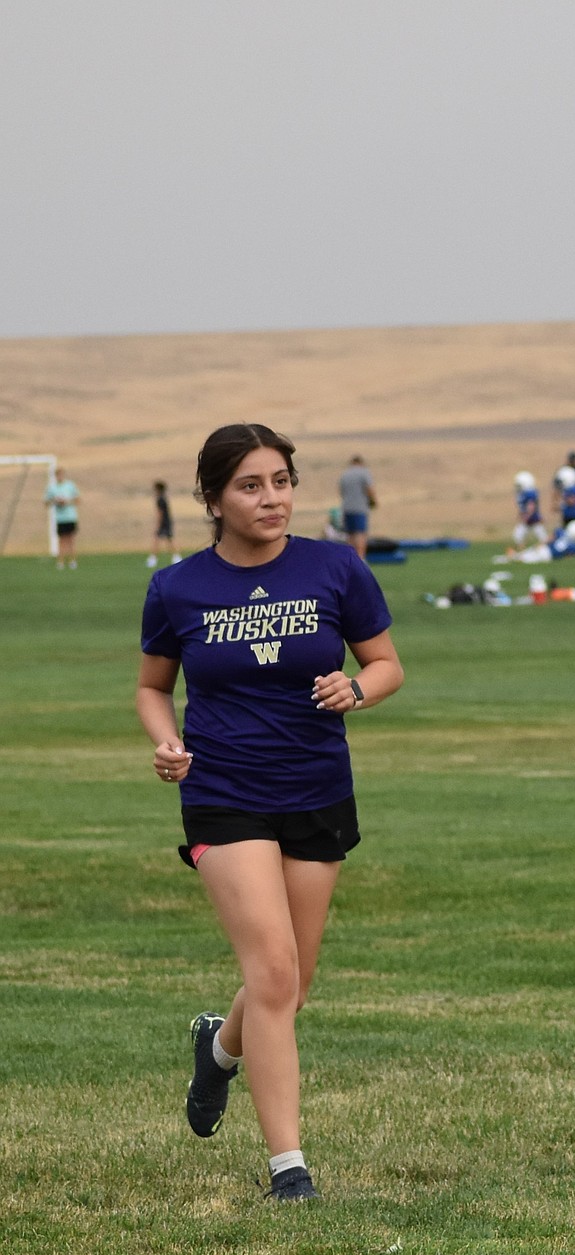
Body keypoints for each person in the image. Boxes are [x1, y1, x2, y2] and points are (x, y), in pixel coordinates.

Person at [136, 423, 404, 1202]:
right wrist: (166, 742)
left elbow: (386, 663)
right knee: (275, 970)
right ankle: (290, 1168)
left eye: (281, 481)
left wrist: (357, 688)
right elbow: (154, 685)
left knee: (293, 981)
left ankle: (219, 1050)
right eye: (251, 485)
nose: (272, 498)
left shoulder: (335, 567)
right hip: (222, 791)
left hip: (316, 787)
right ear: (214, 498)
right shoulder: (176, 586)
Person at [338, 455, 377, 560]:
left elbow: (341, 492)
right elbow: (369, 489)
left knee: (350, 536)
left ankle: (351, 560)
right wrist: (373, 502)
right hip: (360, 508)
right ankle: (361, 560)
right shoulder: (364, 473)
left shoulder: (345, 474)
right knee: (360, 535)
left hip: (347, 509)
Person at [44, 467, 80, 569]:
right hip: (60, 518)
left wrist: (67, 501)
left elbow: (78, 500)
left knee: (71, 539)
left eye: (61, 475)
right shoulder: (52, 488)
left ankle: (73, 561)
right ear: (55, 476)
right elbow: (46, 502)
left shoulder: (70, 486)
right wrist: (56, 501)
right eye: (58, 475)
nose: (60, 477)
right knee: (62, 540)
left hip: (71, 517)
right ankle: (60, 562)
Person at [147, 479, 182, 567]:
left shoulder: (160, 500)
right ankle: (176, 557)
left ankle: (153, 559)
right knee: (169, 540)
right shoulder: (164, 499)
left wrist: (158, 525)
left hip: (164, 523)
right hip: (167, 522)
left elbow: (160, 513)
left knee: (158, 540)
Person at [512, 470, 548, 550]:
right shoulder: (523, 493)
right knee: (517, 536)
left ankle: (543, 550)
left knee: (543, 538)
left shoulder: (530, 492)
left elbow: (531, 506)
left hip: (533, 519)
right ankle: (522, 550)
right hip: (528, 519)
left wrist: (526, 516)